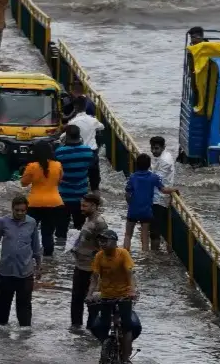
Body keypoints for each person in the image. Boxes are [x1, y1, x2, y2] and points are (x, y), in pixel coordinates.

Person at [0, 195, 42, 327]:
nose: (20, 213)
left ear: (26, 210)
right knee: (3, 306)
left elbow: (36, 247)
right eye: (17, 210)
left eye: (23, 210)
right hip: (6, 271)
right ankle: (0, 334)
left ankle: (25, 334)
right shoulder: (3, 222)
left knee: (24, 307)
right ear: (12, 209)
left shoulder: (32, 222)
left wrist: (39, 267)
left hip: (25, 272)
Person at [87, 229, 138, 362]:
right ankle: (106, 348)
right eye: (100, 241)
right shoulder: (99, 256)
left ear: (114, 242)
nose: (102, 243)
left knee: (127, 326)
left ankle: (126, 357)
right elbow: (94, 277)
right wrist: (89, 294)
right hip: (106, 295)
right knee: (102, 325)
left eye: (105, 240)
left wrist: (132, 291)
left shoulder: (123, 254)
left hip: (124, 295)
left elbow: (130, 273)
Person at [124, 153, 179, 252]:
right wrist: (175, 189)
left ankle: (125, 253)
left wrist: (131, 204)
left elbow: (127, 194)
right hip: (146, 210)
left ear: (136, 164)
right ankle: (145, 257)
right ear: (149, 165)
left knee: (128, 234)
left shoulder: (132, 177)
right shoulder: (153, 177)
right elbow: (164, 190)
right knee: (145, 236)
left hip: (133, 209)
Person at [19, 140, 65, 257]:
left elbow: (23, 183)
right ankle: (49, 260)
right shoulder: (58, 165)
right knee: (48, 233)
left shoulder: (32, 166)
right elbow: (59, 181)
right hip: (55, 203)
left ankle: (30, 256)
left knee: (29, 231)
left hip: (34, 204)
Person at [55, 124, 100, 241]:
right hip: (81, 197)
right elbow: (94, 173)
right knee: (80, 229)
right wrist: (95, 190)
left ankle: (60, 249)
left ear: (66, 136)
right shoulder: (88, 152)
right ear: (79, 136)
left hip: (63, 196)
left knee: (61, 229)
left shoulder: (59, 153)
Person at [70, 192, 107, 330]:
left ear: (94, 206)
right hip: (80, 266)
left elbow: (104, 247)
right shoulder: (87, 219)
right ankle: (76, 329)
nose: (81, 208)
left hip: (92, 269)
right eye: (81, 205)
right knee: (76, 299)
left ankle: (92, 330)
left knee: (92, 302)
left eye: (85, 206)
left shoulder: (100, 223)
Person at [148, 136, 175, 250]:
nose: (153, 151)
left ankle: (155, 253)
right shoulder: (164, 156)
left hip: (159, 199)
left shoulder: (164, 161)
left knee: (154, 231)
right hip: (157, 196)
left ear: (163, 147)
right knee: (156, 229)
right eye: (152, 148)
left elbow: (157, 180)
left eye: (156, 148)